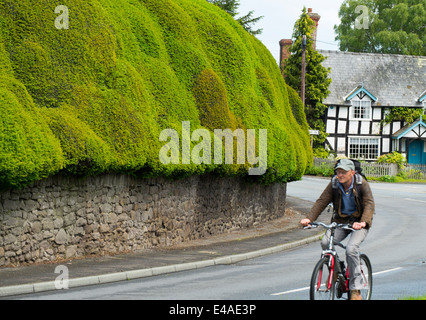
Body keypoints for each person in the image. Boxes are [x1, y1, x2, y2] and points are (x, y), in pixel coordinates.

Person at [300, 158, 375, 300]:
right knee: (325, 243)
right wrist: (309, 218)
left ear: (352, 172)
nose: (340, 175)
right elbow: (322, 201)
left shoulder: (361, 184)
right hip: (340, 222)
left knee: (351, 249)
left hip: (358, 223)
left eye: (344, 172)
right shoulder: (334, 184)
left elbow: (369, 204)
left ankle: (356, 290)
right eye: (338, 172)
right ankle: (335, 271)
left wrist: (363, 222)